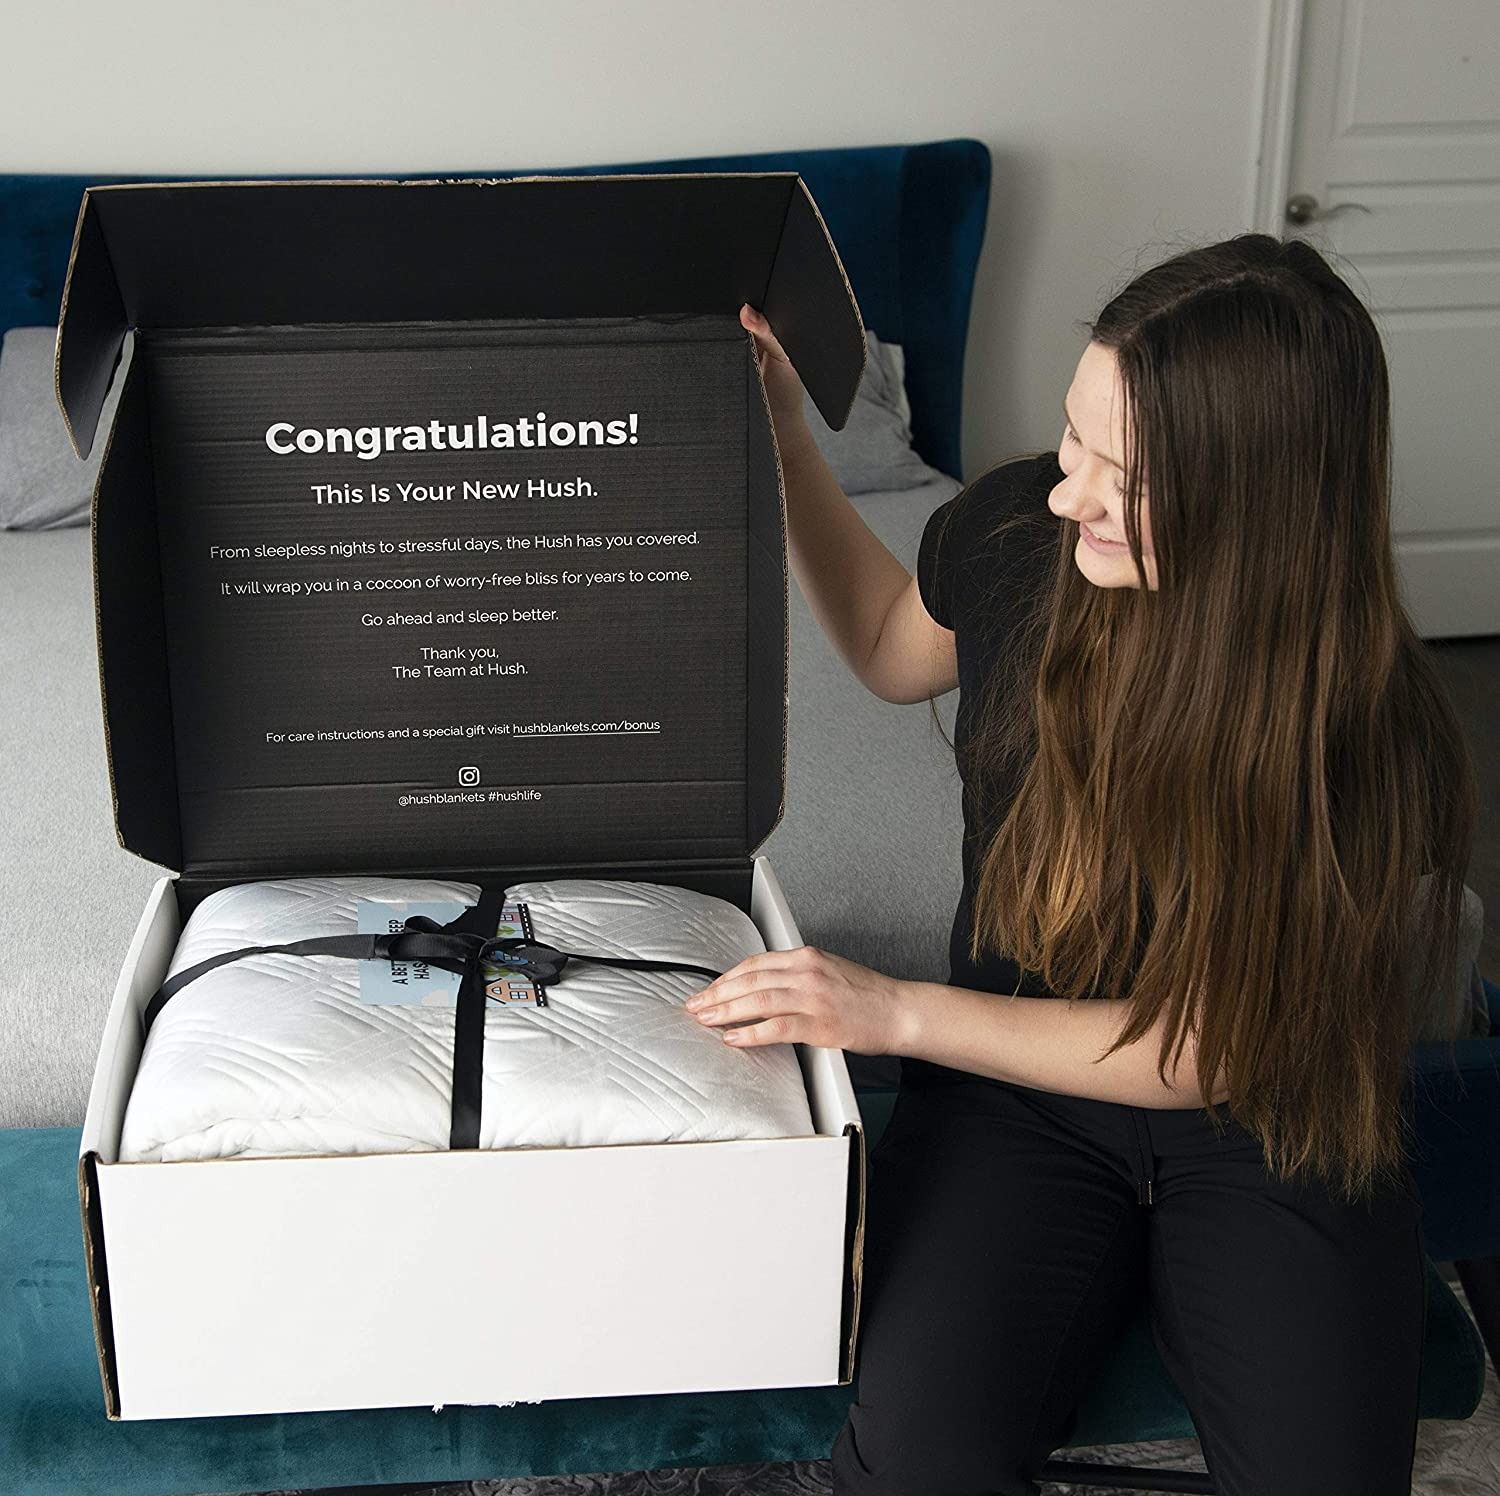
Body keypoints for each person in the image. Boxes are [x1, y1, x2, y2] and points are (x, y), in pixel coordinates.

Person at [682, 234, 1479, 1496]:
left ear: (1265, 500)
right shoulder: (1017, 529)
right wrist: (786, 434)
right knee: (915, 1464)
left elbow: (1215, 1049)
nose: (1071, 498)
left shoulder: (1371, 728)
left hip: (1269, 1112)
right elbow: (890, 643)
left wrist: (892, 1010)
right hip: (1015, 1094)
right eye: (1073, 440)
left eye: (1131, 477)